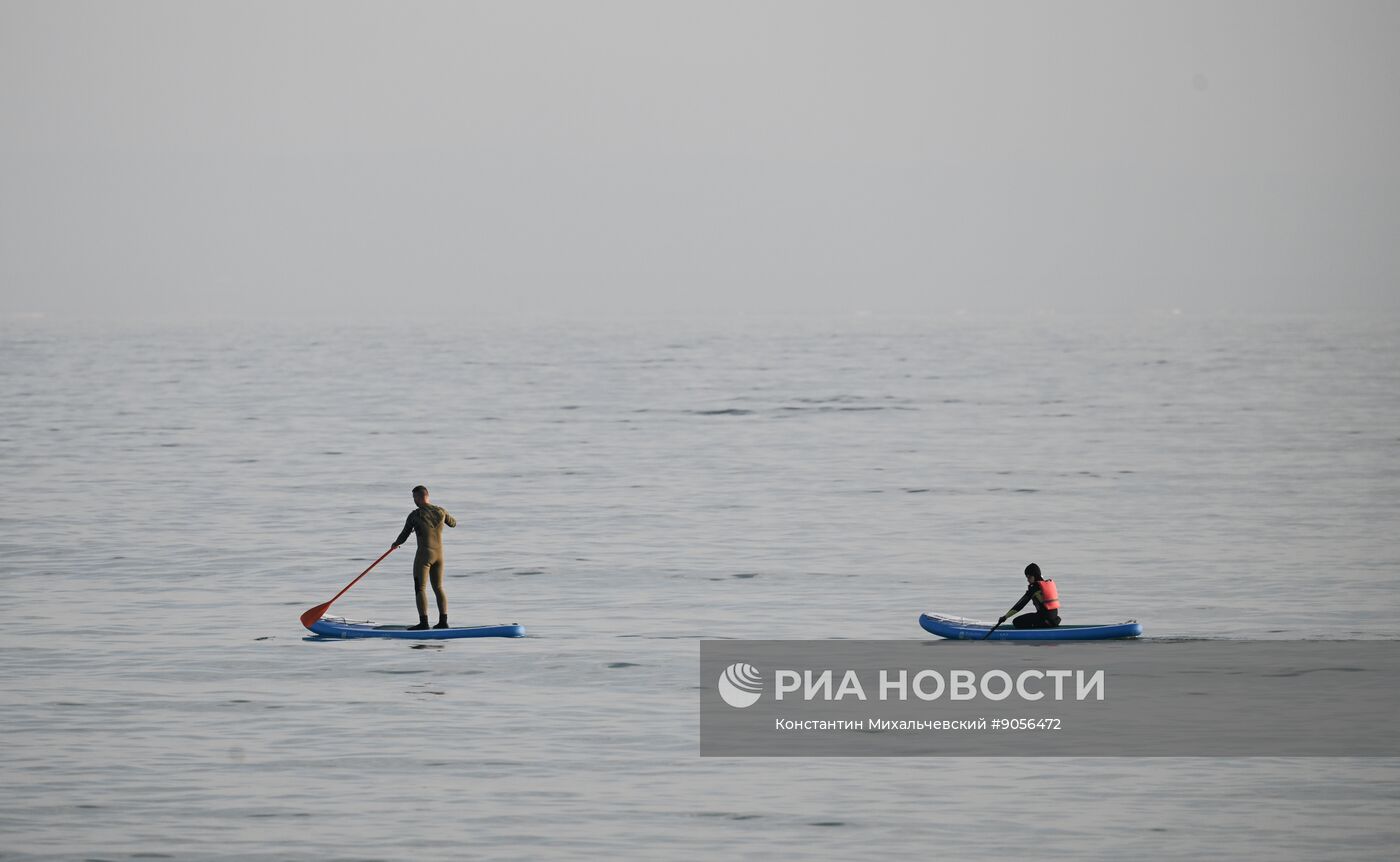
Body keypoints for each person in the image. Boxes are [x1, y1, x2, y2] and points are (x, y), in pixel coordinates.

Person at [392, 485, 457, 630]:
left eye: (414, 498)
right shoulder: (441, 511)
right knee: (439, 587)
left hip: (424, 556)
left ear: (418, 497)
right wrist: (442, 518)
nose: (413, 501)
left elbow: (404, 535)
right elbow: (453, 523)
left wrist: (395, 544)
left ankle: (423, 623)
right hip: (440, 556)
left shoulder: (415, 515)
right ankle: (443, 622)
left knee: (420, 588)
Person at [998, 563, 1061, 629]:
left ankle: (1033, 633)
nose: (1028, 580)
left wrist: (1005, 617)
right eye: (1027, 577)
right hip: (1054, 620)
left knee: (1017, 621)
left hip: (1044, 621)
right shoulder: (1046, 585)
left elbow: (1019, 605)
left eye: (1029, 577)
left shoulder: (1034, 588)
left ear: (1035, 576)